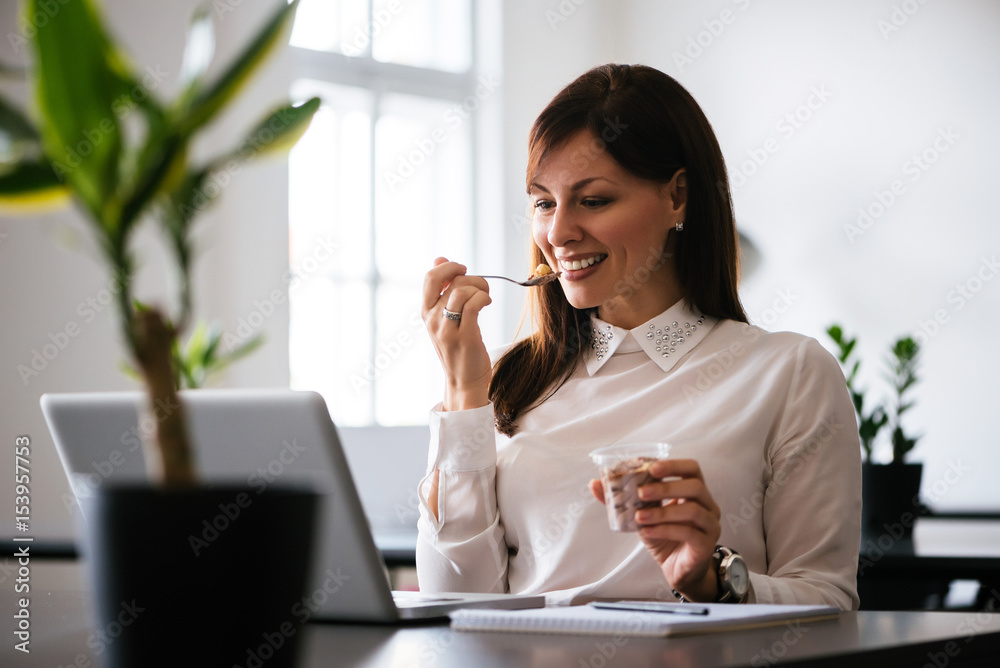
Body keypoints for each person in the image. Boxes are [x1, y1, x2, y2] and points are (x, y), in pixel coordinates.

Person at [417, 63, 861, 610]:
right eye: (543, 202)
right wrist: (464, 393)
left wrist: (715, 580)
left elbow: (828, 603)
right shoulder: (505, 379)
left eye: (594, 200)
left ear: (677, 196)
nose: (557, 234)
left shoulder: (789, 372)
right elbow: (453, 601)